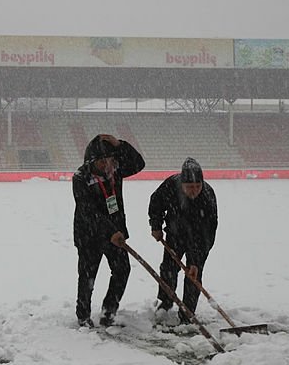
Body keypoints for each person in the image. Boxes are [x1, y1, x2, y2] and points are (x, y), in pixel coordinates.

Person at [73, 134, 145, 328]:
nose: (107, 165)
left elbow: (139, 164)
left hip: (116, 234)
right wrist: (110, 231)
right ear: (91, 161)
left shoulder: (116, 171)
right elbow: (88, 211)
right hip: (90, 235)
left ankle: (109, 310)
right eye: (102, 161)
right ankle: (83, 315)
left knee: (122, 270)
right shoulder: (80, 178)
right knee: (88, 276)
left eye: (110, 160)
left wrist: (120, 144)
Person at [148, 157, 218, 325]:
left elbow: (208, 233)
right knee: (168, 269)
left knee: (194, 275)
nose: (194, 190)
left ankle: (187, 313)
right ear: (182, 184)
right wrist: (156, 226)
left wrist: (195, 261)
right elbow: (155, 203)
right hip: (175, 234)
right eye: (190, 187)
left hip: (199, 239)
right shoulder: (171, 185)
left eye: (197, 186)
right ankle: (165, 303)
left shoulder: (207, 197)